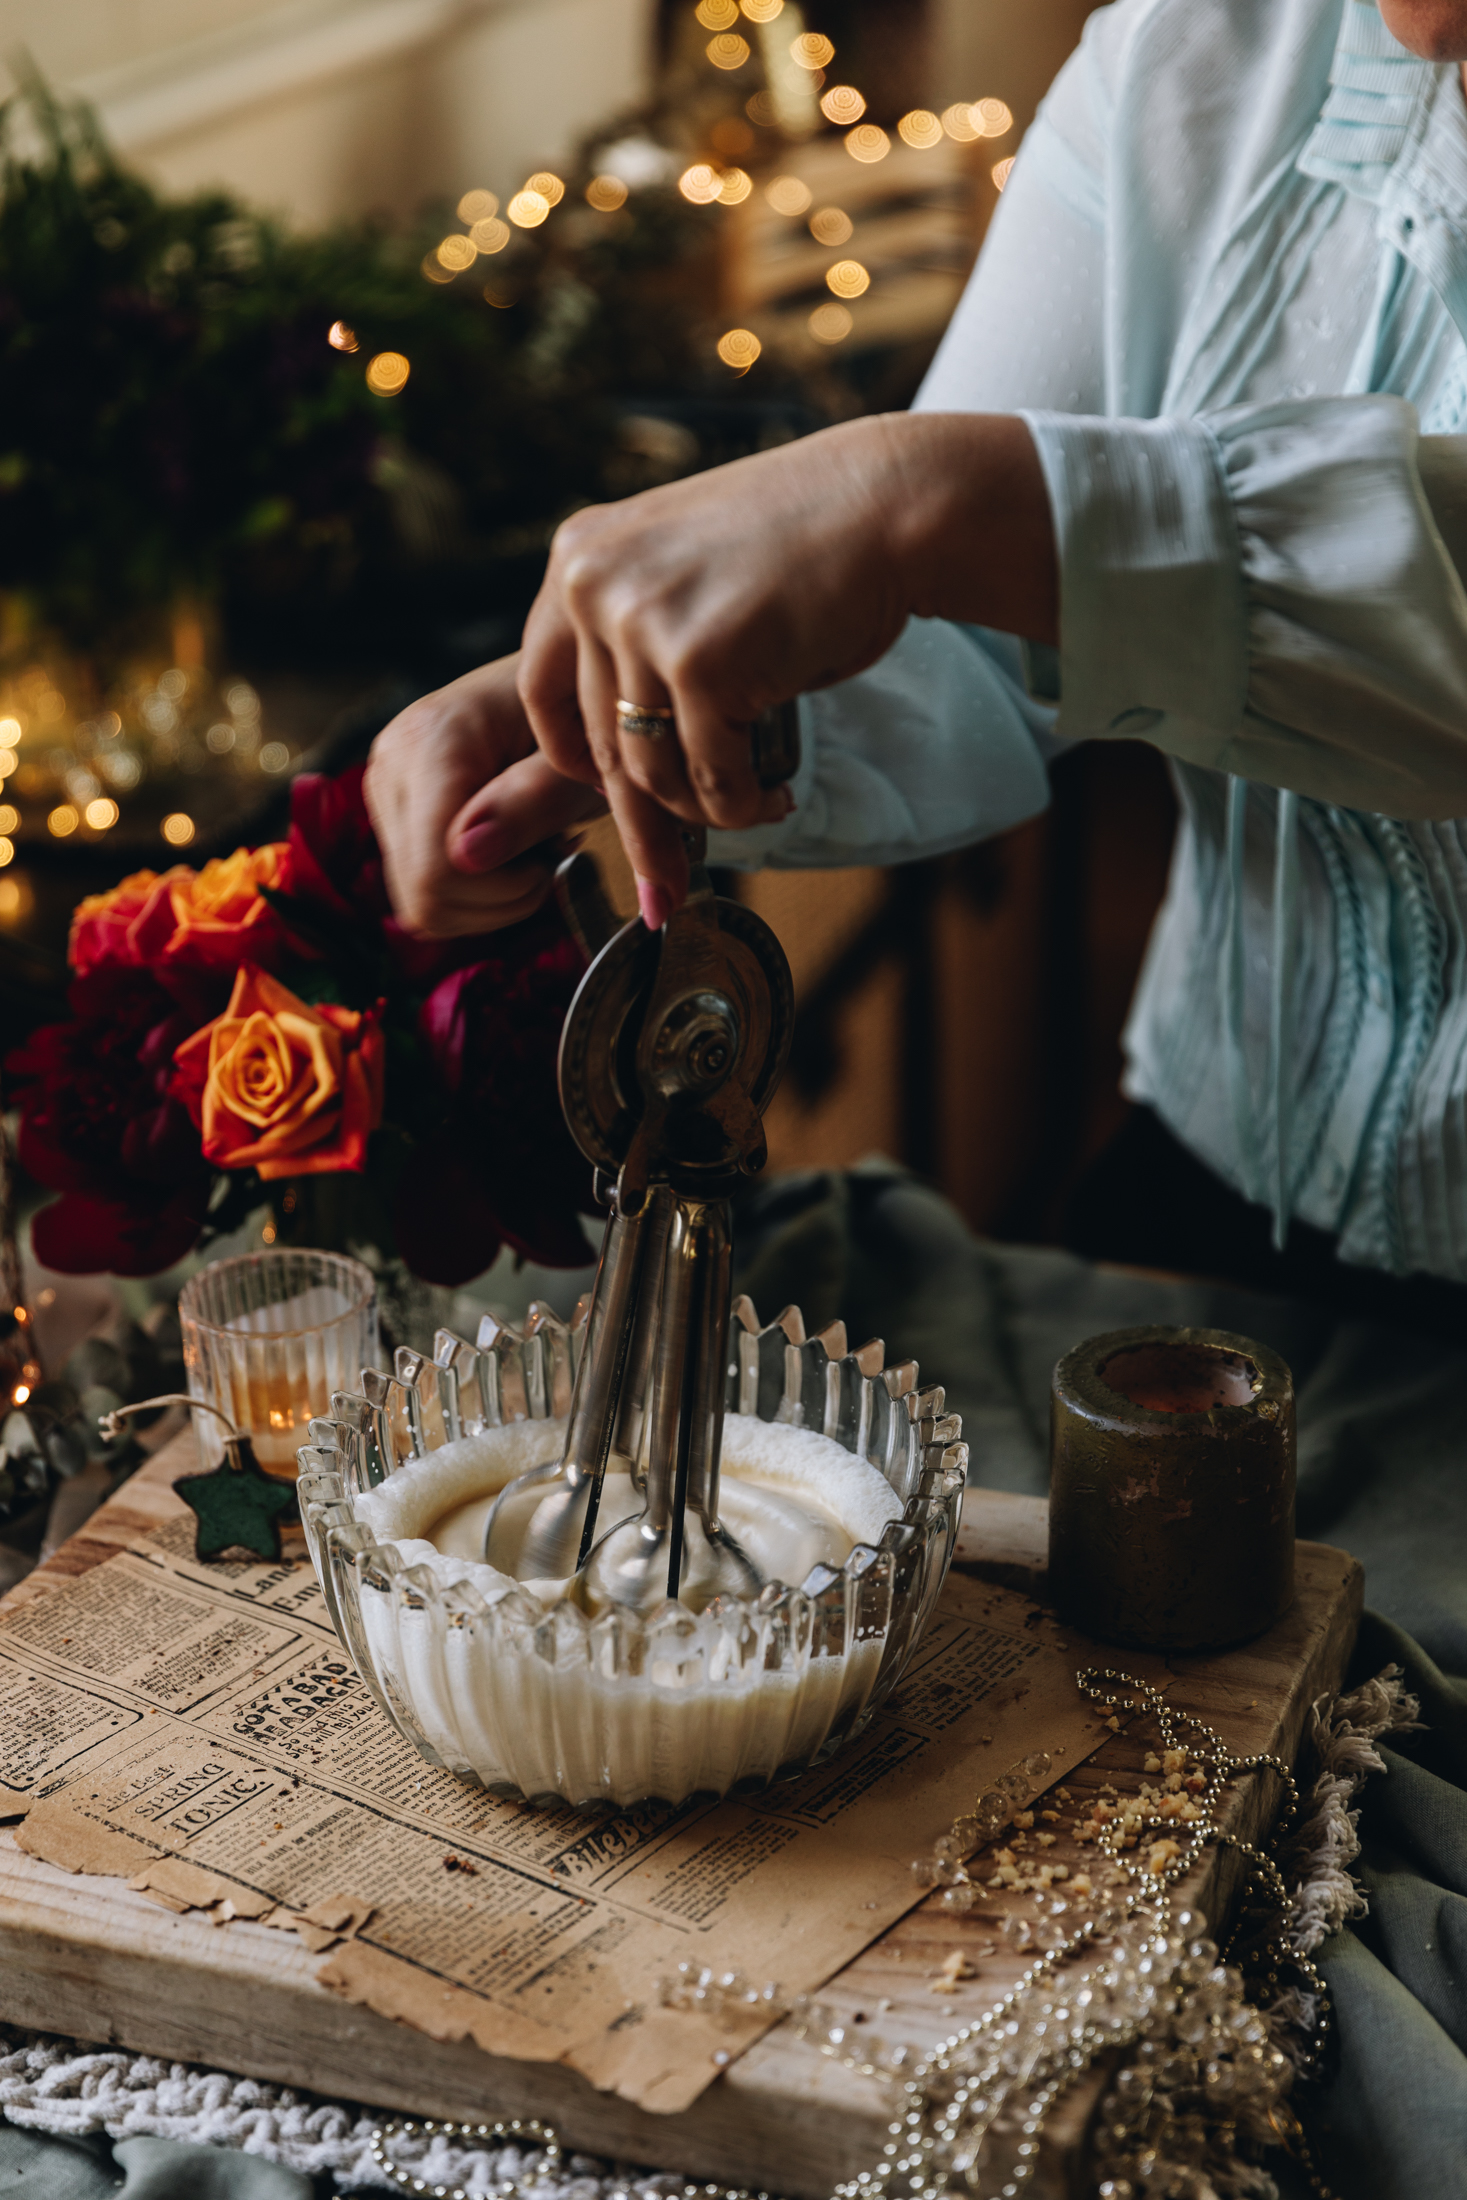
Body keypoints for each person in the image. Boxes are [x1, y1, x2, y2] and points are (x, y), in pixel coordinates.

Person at [365, 0, 1467, 1303]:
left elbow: (961, 526)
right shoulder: (1190, 47)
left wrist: (931, 501)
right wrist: (593, 708)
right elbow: (966, 630)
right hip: (1218, 1209)